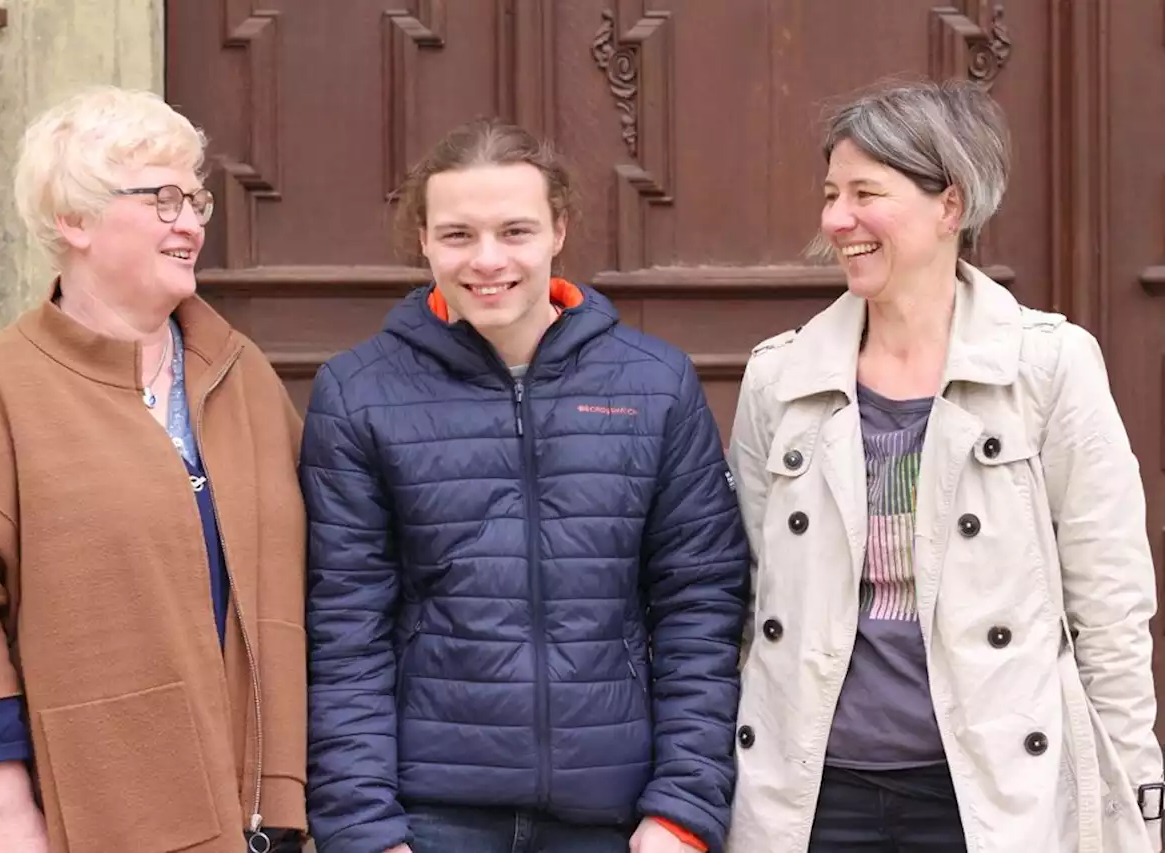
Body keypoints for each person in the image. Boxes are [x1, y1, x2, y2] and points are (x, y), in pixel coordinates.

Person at [726, 79, 1164, 853]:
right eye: (831, 193)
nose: (836, 219)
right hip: (813, 793)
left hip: (989, 794)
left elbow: (1111, 612)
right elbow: (746, 598)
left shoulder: (1047, 367)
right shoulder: (781, 379)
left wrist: (1134, 801)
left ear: (949, 206)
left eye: (866, 192)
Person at [300, 117, 749, 853]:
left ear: (558, 230)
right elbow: (345, 628)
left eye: (515, 231)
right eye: (456, 235)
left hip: (616, 815)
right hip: (428, 817)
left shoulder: (655, 383)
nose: (487, 260)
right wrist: (363, 828)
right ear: (423, 239)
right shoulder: (358, 394)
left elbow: (698, 603)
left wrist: (683, 807)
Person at [0, 87, 308, 853]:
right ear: (72, 220)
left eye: (197, 199)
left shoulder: (241, 376)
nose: (191, 222)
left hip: (260, 822)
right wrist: (11, 821)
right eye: (163, 198)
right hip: (81, 822)